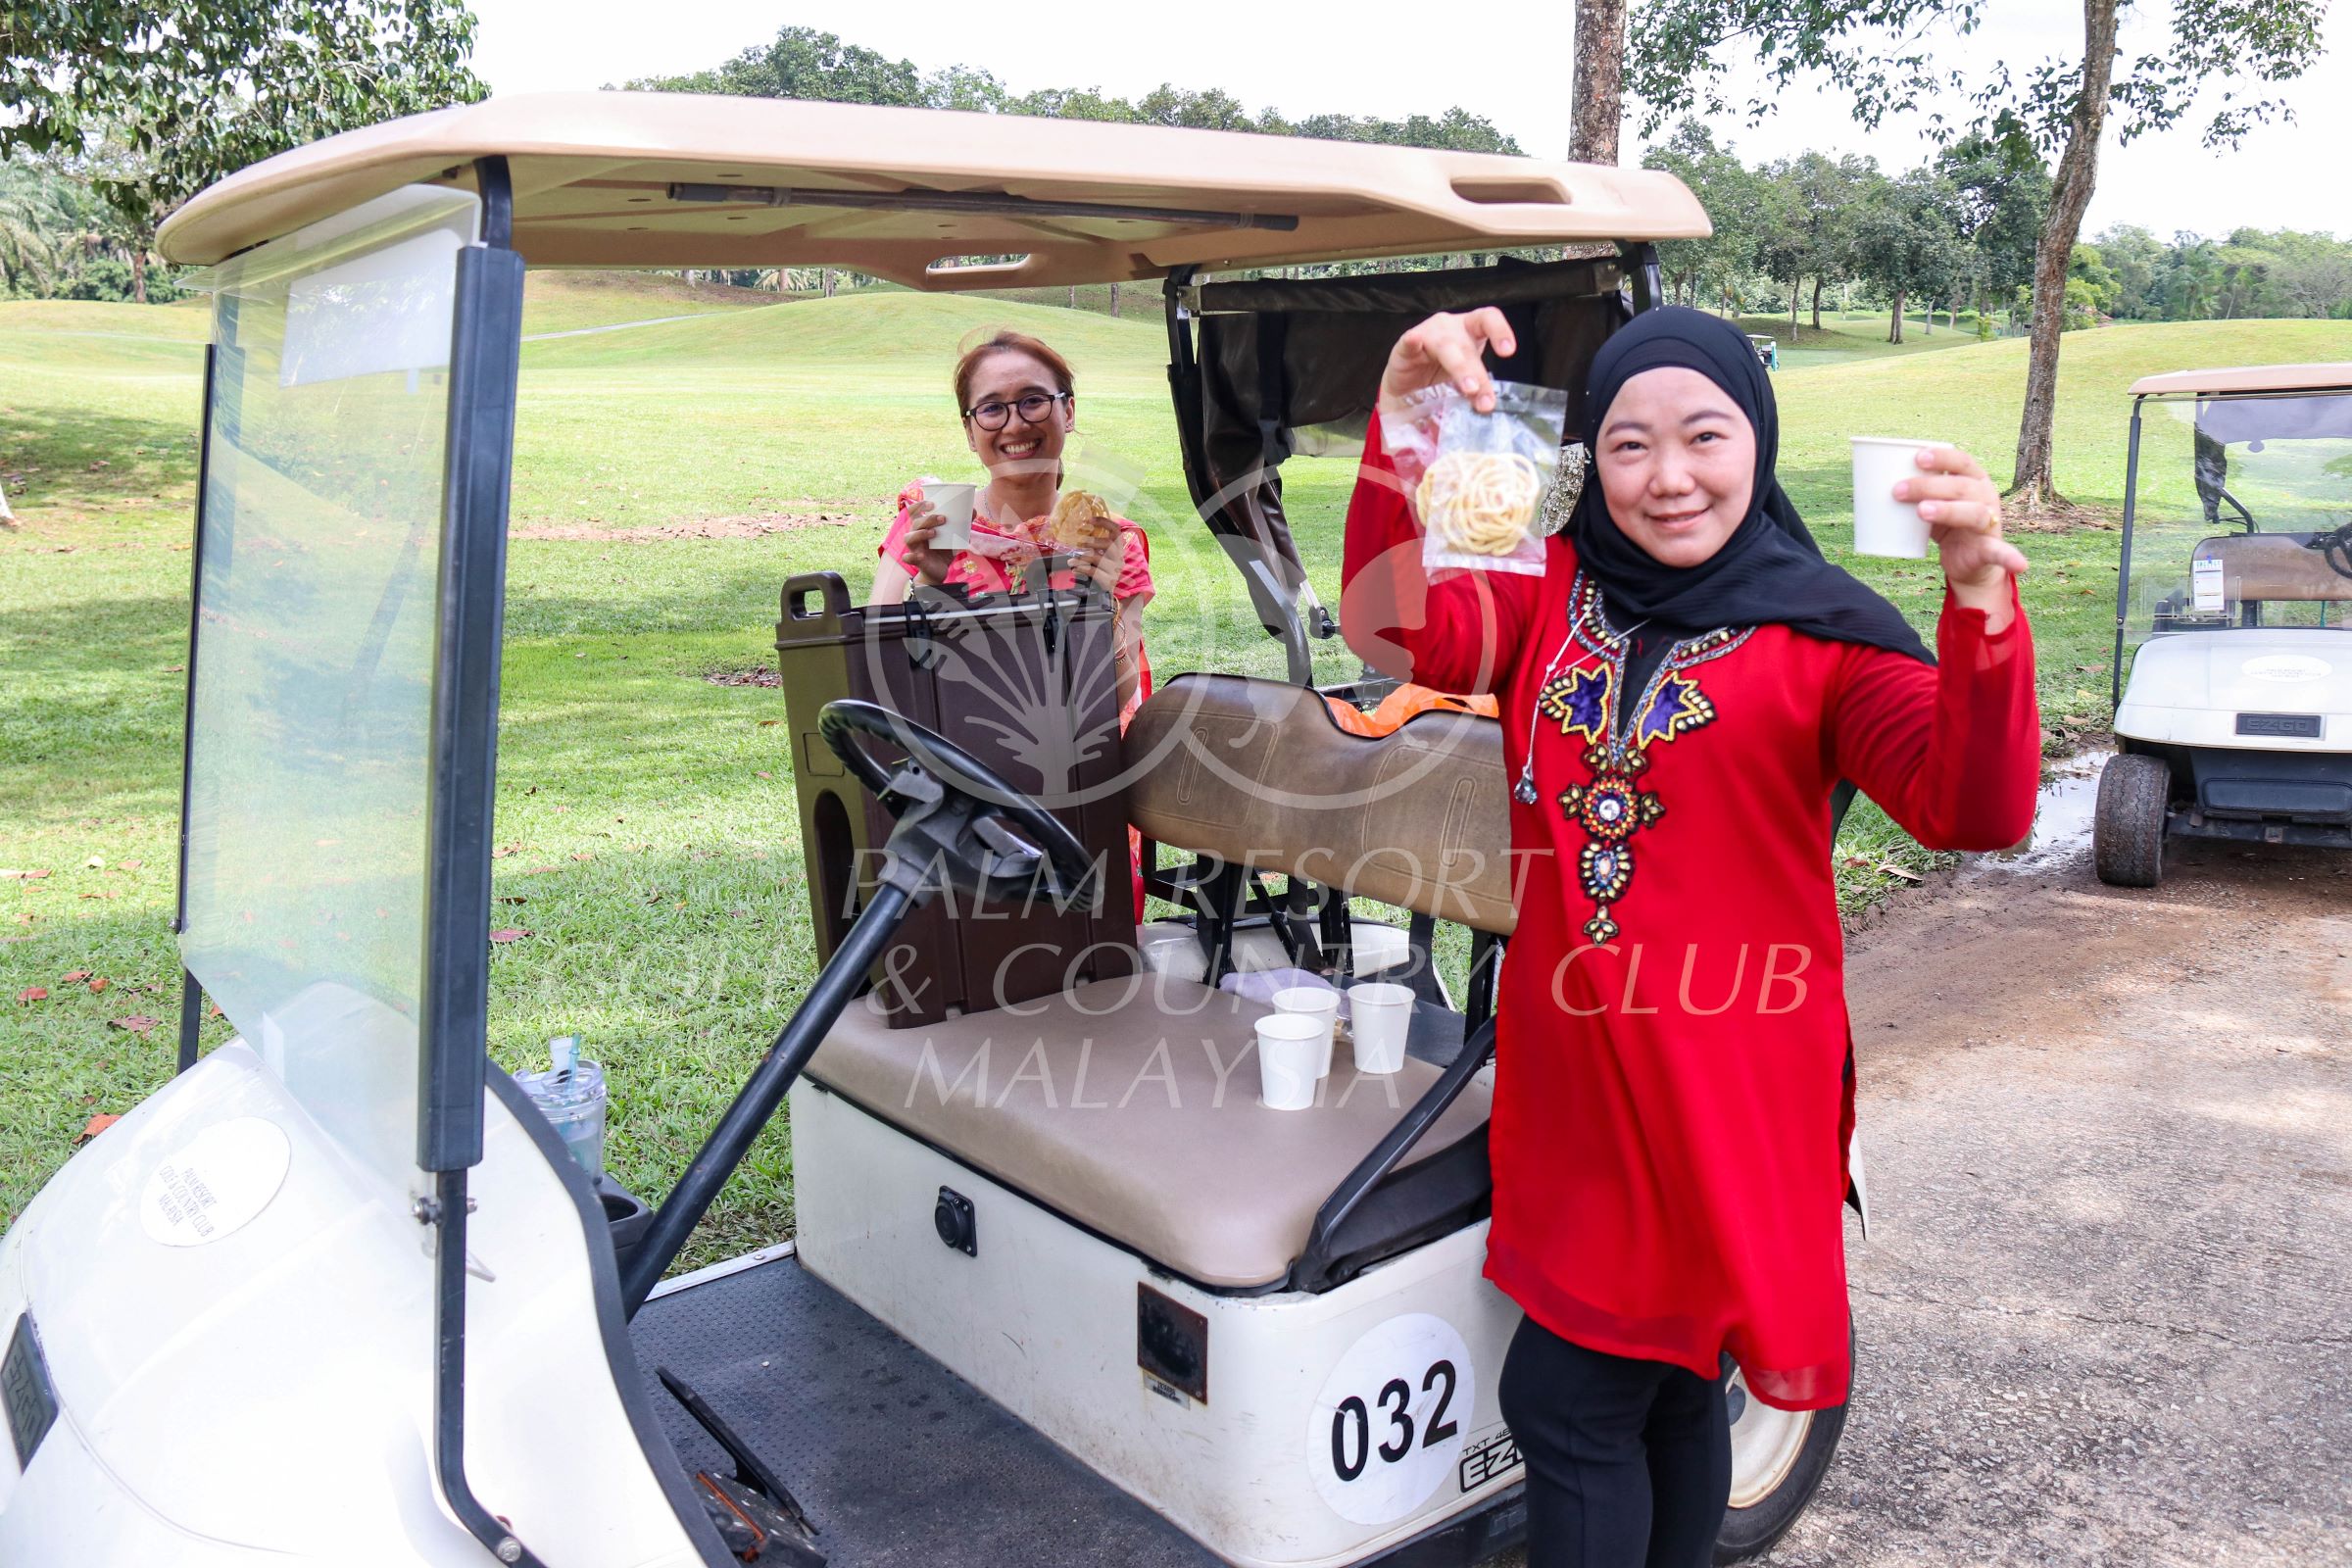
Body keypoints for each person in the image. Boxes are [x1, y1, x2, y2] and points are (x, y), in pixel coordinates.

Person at [1338, 306, 2039, 1568]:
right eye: (1628, 445)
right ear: (1590, 462)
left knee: (1567, 1402)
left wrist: (1979, 599)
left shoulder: (1825, 637)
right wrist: (1402, 431)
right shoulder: (1550, 594)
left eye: (1705, 437)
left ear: (1756, 444)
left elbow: (1972, 809)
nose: (1669, 477)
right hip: (1574, 1084)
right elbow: (1398, 631)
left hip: (1724, 1085)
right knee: (1661, 1387)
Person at [871, 329, 1153, 720]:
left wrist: (1101, 605)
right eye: (991, 409)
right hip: (957, 752)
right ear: (970, 432)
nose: (1016, 424)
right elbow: (881, 669)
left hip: (1077, 756)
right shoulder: (934, 519)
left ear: (1068, 412)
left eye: (1033, 401)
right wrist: (933, 587)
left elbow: (1116, 696)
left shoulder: (1107, 538)